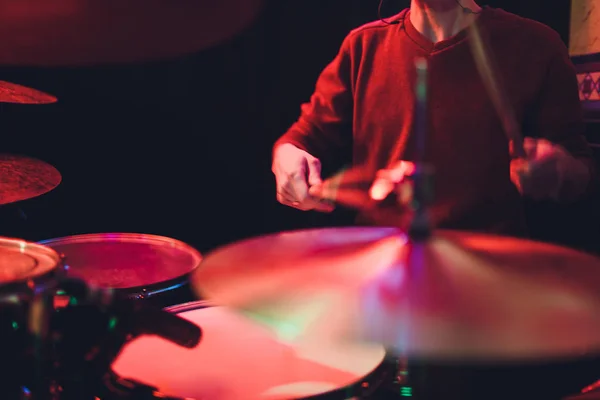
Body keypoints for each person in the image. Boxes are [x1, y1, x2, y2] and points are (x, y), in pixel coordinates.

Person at [271, 0, 594, 236]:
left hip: (490, 278)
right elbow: (304, 136)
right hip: (381, 270)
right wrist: (287, 156)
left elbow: (582, 170)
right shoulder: (363, 45)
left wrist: (560, 170)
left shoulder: (536, 45)